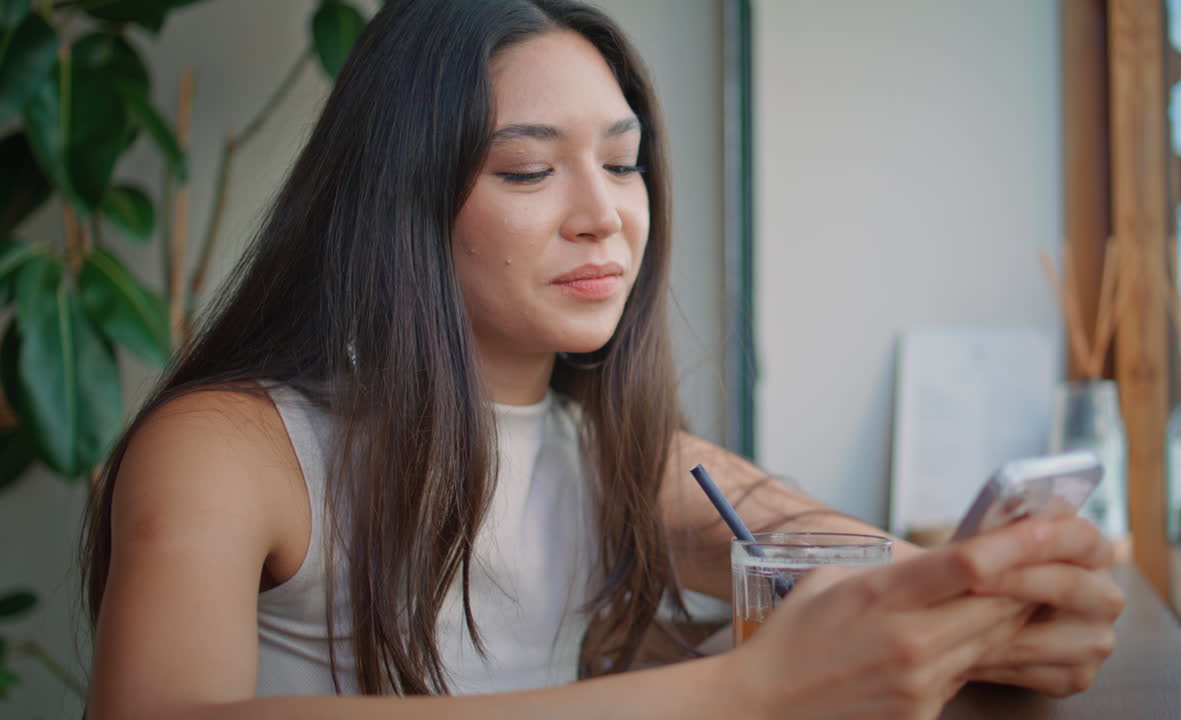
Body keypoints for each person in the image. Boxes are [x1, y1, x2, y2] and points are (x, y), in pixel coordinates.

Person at [81, 1, 1124, 718]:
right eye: (529, 169)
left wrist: (1003, 605)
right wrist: (742, 695)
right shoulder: (229, 451)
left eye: (623, 163)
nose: (605, 216)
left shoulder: (618, 459)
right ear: (400, 202)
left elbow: (861, 571)